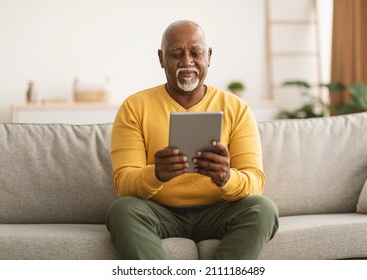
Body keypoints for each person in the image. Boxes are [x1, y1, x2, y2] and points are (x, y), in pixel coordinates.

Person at [106, 20, 278, 260]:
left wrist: (227, 177)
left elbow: (255, 181)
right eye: (176, 54)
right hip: (159, 211)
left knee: (264, 209)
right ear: (161, 58)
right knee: (122, 210)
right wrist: (156, 174)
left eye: (195, 53)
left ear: (208, 56)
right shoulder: (134, 107)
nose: (187, 62)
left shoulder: (236, 108)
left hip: (219, 211)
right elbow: (123, 183)